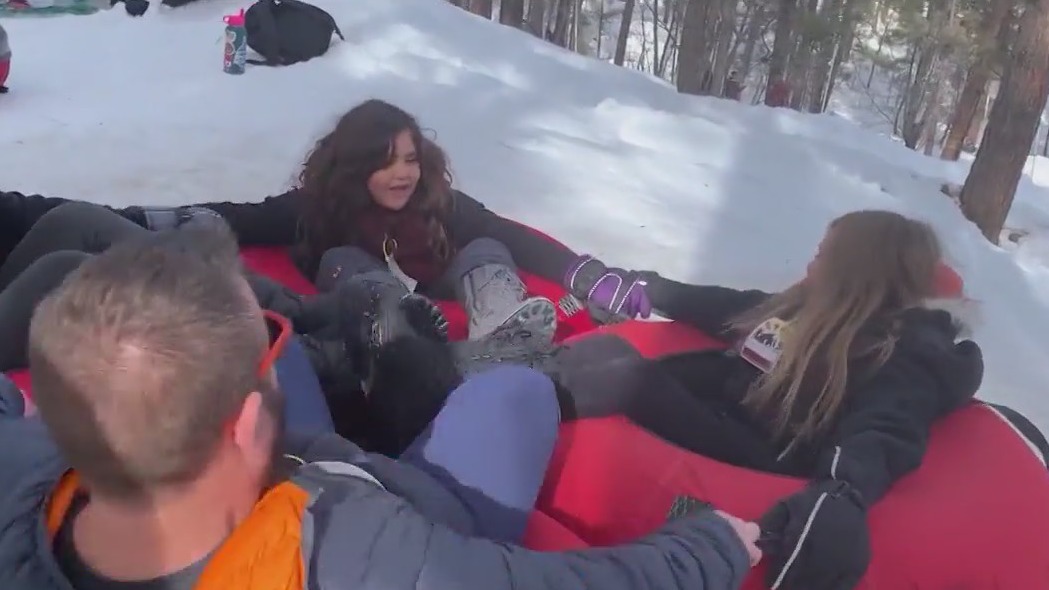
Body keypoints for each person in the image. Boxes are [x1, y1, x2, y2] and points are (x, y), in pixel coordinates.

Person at [0, 223, 763, 590]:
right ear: (239, 420)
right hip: (411, 501)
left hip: (292, 459)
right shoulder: (363, 560)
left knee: (321, 343)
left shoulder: (24, 469)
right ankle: (442, 361)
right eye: (260, 340)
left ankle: (382, 346)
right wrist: (714, 548)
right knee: (514, 392)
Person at [369, 210, 985, 590]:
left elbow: (887, 430)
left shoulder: (906, 352)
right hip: (730, 416)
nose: (812, 261)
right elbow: (729, 308)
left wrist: (845, 495)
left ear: (860, 270)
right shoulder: (813, 311)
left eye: (826, 254)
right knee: (609, 357)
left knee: (631, 378)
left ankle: (443, 383)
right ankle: (452, 376)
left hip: (767, 459)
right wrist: (651, 288)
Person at [0, 100, 650, 351]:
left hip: (451, 288)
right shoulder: (319, 208)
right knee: (344, 263)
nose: (401, 174)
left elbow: (519, 237)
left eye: (409, 159)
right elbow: (239, 217)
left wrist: (586, 274)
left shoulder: (437, 201)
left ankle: (502, 330)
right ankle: (398, 333)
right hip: (379, 293)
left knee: (484, 242)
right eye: (384, 162)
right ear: (353, 166)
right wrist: (140, 219)